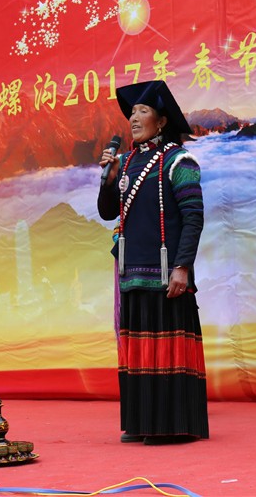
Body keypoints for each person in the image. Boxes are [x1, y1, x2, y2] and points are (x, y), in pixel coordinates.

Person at [97, 80, 209, 445]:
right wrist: (108, 181)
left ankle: (172, 426)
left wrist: (182, 267)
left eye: (142, 111)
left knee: (166, 351)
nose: (133, 118)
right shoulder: (127, 162)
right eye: (131, 112)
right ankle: (142, 422)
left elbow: (193, 217)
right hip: (133, 271)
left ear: (161, 121)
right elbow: (108, 212)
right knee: (140, 351)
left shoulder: (179, 160)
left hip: (166, 272)